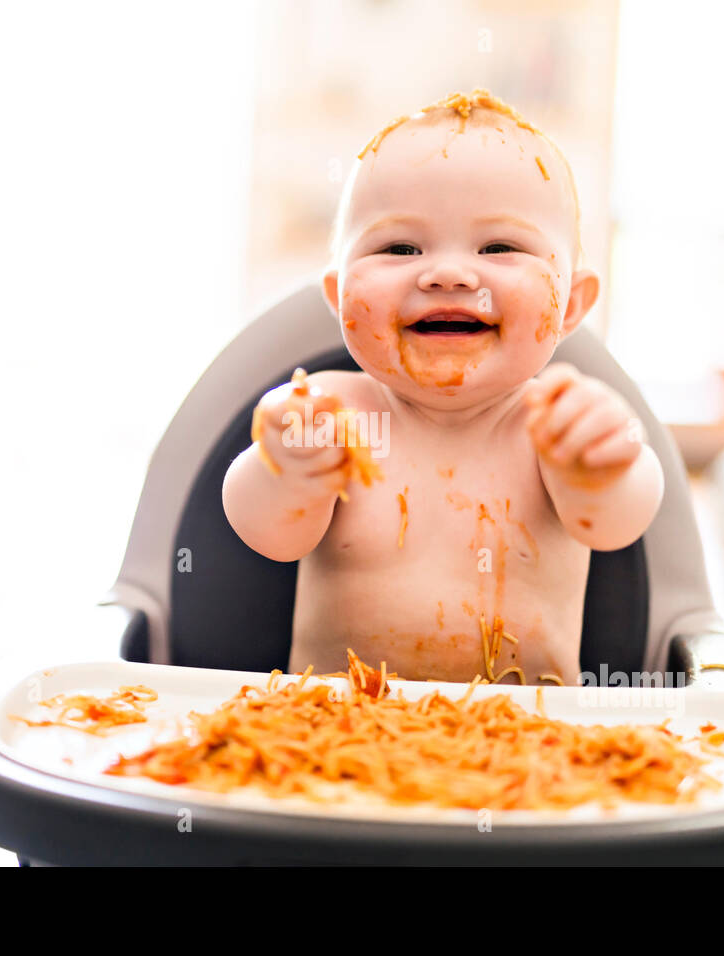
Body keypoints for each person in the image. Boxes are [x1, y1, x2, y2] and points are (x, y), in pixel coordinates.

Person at [223, 90, 662, 685]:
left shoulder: (555, 427)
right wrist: (286, 471)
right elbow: (269, 535)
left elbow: (615, 521)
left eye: (500, 247)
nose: (449, 273)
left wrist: (602, 465)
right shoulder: (335, 414)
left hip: (528, 749)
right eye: (399, 248)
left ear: (571, 305)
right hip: (332, 744)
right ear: (339, 295)